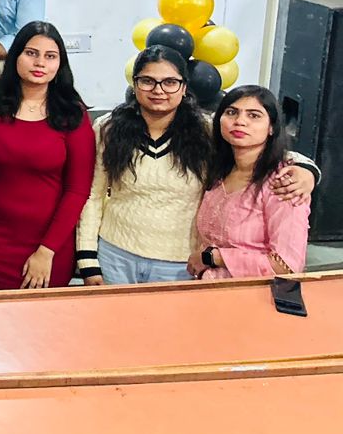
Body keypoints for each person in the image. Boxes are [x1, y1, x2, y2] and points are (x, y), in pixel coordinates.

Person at [78, 49, 318, 286]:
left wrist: (307, 170)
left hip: (181, 263)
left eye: (170, 82)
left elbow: (261, 147)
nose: (158, 90)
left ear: (184, 87)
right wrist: (88, 261)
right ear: (135, 84)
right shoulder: (108, 129)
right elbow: (93, 195)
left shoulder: (206, 129)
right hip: (115, 254)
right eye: (147, 81)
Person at [0, 22, 95, 291]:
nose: (40, 63)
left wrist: (47, 250)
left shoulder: (72, 113)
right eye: (31, 53)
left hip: (50, 244)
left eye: (50, 56)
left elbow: (77, 190)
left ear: (60, 63)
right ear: (15, 56)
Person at [190, 86, 311, 280]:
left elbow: (287, 266)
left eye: (254, 115)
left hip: (251, 293)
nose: (240, 121)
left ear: (272, 127)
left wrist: (214, 257)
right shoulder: (218, 171)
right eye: (231, 112)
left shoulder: (283, 184)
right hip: (207, 289)